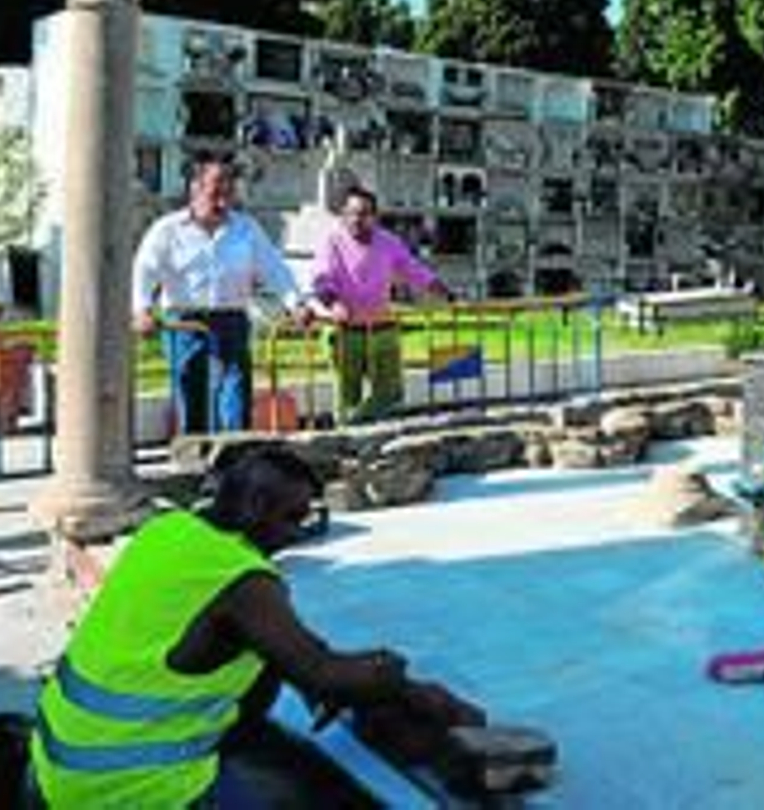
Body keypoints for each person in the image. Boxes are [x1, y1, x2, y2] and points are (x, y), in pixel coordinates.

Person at [26, 441, 485, 808]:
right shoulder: (243, 581)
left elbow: (288, 652)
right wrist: (392, 671)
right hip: (119, 790)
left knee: (267, 670)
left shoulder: (168, 532)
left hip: (50, 768)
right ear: (257, 507)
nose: (296, 534)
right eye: (293, 519)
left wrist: (322, 679)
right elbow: (325, 673)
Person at [133, 154, 305, 434]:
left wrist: (296, 303)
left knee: (235, 389)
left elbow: (274, 268)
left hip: (231, 317)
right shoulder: (167, 230)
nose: (223, 196)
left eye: (229, 187)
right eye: (216, 187)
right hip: (185, 320)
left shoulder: (246, 228)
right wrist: (142, 309)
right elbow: (145, 270)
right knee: (191, 387)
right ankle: (194, 452)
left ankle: (235, 453)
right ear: (195, 188)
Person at [310, 186, 449, 423]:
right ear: (343, 215)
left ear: (374, 216)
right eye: (351, 213)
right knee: (347, 398)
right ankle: (348, 438)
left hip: (381, 328)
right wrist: (333, 303)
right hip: (346, 332)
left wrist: (437, 286)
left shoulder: (388, 242)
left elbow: (411, 268)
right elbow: (321, 278)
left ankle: (355, 424)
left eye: (363, 214)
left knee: (392, 393)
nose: (356, 219)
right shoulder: (332, 242)